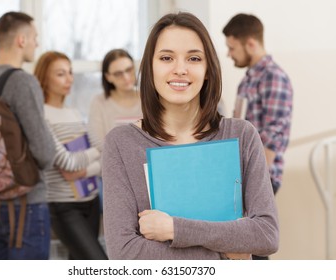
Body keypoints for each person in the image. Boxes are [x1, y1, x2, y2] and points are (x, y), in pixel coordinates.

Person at [102, 12, 279, 260]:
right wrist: (225, 252)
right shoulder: (121, 143)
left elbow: (266, 235)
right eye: (166, 58)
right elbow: (125, 253)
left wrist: (174, 229)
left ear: (208, 70)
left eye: (194, 58)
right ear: (150, 68)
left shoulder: (242, 135)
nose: (180, 69)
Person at [0, 11, 56, 259]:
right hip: (27, 207)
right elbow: (45, 153)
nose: (37, 43)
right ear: (21, 40)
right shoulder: (23, 82)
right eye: (34, 37)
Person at [34, 51, 107, 259]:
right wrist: (94, 155)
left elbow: (102, 153)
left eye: (70, 72)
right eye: (60, 74)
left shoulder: (74, 113)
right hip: (64, 207)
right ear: (44, 78)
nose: (69, 79)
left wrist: (83, 169)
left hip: (92, 201)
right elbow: (67, 162)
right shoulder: (40, 115)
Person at [222, 13, 293, 196]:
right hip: (242, 174)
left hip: (261, 179)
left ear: (251, 44)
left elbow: (272, 137)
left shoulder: (273, 77)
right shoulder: (248, 80)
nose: (229, 54)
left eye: (232, 48)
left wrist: (253, 182)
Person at [88, 49, 142, 151]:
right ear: (108, 77)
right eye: (118, 74)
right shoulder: (99, 102)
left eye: (129, 70)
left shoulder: (148, 98)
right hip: (113, 163)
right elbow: (98, 144)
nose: (126, 77)